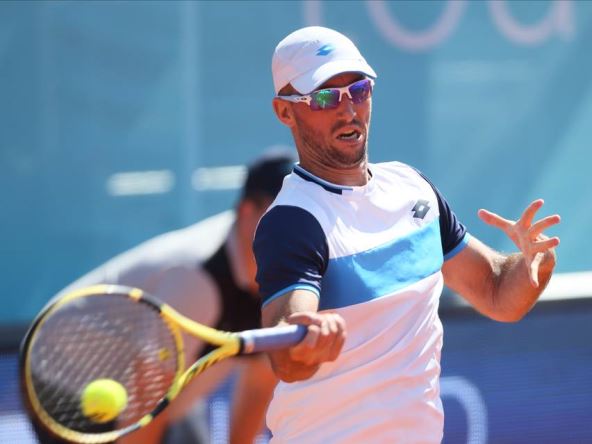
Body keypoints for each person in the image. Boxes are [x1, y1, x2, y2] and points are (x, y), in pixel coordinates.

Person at [253, 26, 561, 443]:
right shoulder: (292, 221)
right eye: (325, 98)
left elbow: (497, 293)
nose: (348, 110)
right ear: (285, 112)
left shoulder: (412, 189)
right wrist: (304, 341)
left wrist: (532, 263)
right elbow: (288, 352)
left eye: (359, 90)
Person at [30, 151, 296, 444]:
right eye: (281, 214)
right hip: (63, 378)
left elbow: (259, 380)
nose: (295, 230)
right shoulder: (197, 280)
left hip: (157, 384)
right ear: (246, 211)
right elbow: (145, 402)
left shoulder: (288, 270)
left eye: (301, 215)